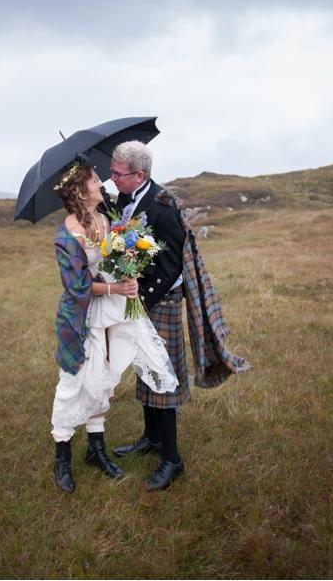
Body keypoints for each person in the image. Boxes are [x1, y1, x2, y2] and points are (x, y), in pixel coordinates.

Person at [105, 140, 248, 490]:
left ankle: (172, 459)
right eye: (111, 172)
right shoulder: (126, 199)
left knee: (163, 376)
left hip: (161, 302)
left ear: (139, 174)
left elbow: (169, 269)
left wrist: (142, 302)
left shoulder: (164, 208)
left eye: (117, 174)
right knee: (145, 371)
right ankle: (151, 439)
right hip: (137, 301)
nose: (112, 179)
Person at [47, 158, 177, 493]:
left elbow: (114, 262)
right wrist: (114, 288)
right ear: (79, 189)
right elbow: (75, 286)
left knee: (103, 380)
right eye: (92, 180)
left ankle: (96, 449)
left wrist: (129, 272)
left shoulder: (105, 219)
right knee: (75, 381)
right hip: (81, 317)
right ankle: (62, 455)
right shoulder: (67, 233)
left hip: (112, 311)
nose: (100, 183)